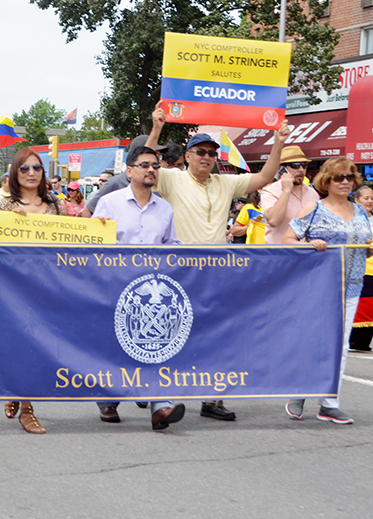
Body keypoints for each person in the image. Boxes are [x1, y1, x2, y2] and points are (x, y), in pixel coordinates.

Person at [150, 102, 290, 421]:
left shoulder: (225, 182)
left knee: (217, 335)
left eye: (211, 153)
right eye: (200, 152)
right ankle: (163, 399)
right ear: (186, 156)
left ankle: (211, 400)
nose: (206, 157)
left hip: (217, 273)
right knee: (175, 334)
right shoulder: (171, 179)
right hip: (180, 270)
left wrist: (278, 141)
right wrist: (157, 128)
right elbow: (147, 165)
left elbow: (267, 175)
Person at [92, 145, 184, 430]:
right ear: (129, 170)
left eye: (155, 166)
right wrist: (100, 230)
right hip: (116, 287)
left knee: (157, 344)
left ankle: (161, 407)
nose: (151, 170)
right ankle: (108, 401)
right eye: (145, 165)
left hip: (151, 291)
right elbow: (93, 243)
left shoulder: (165, 207)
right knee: (116, 346)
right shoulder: (109, 203)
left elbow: (172, 246)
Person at [282, 157, 372, 425]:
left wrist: (367, 249)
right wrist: (310, 245)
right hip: (317, 286)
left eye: (349, 177)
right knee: (312, 340)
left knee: (340, 345)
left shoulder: (361, 212)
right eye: (338, 177)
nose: (344, 181)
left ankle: (329, 403)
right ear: (326, 180)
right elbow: (288, 241)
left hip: (352, 286)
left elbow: (363, 243)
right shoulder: (313, 208)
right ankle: (299, 389)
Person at [0, 149, 68, 434]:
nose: (31, 173)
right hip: (14, 288)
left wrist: (93, 228)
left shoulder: (55, 205)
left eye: (36, 168)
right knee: (23, 344)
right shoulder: (4, 207)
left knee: (39, 347)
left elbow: (71, 241)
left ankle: (16, 390)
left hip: (48, 286)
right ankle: (27, 408)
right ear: (15, 173)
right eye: (24, 169)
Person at [260, 145, 320, 244]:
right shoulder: (270, 190)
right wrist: (286, 191)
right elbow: (273, 220)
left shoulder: (312, 192)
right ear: (282, 168)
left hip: (306, 251)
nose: (301, 169)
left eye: (304, 165)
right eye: (295, 165)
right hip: (280, 252)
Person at [350, 186, 373, 351]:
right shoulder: (351, 219)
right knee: (360, 307)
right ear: (356, 200)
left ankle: (363, 344)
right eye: (366, 198)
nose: (370, 201)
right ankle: (355, 342)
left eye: (372, 198)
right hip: (360, 269)